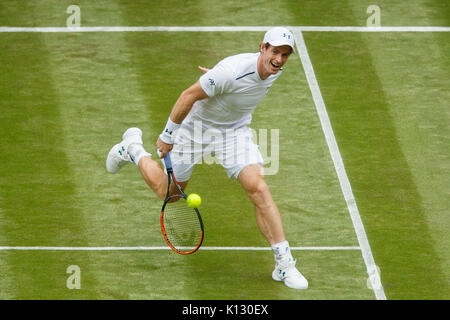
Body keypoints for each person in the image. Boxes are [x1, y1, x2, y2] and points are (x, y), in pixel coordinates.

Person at [106, 27, 308, 290]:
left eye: (284, 55)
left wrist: (216, 80)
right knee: (169, 192)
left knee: (258, 187)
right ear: (262, 47)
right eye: (275, 51)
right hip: (195, 130)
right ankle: (133, 149)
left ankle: (284, 264)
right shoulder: (232, 70)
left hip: (234, 132)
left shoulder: (271, 71)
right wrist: (168, 135)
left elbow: (239, 85)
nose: (279, 59)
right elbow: (188, 96)